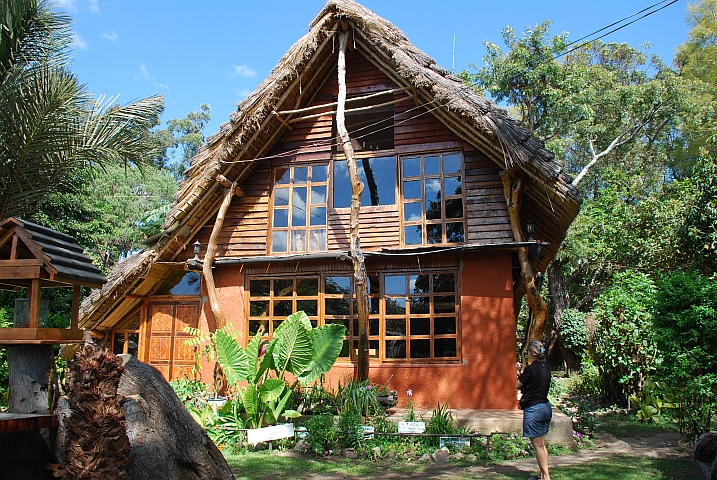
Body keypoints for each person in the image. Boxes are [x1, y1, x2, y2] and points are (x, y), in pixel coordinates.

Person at [515, 340, 552, 480]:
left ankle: (546, 477)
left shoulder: (531, 369)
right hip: (545, 407)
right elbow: (535, 383)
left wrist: (520, 373)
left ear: (530, 353)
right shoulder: (546, 367)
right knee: (541, 445)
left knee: (537, 446)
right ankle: (542, 475)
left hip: (534, 409)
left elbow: (518, 384)